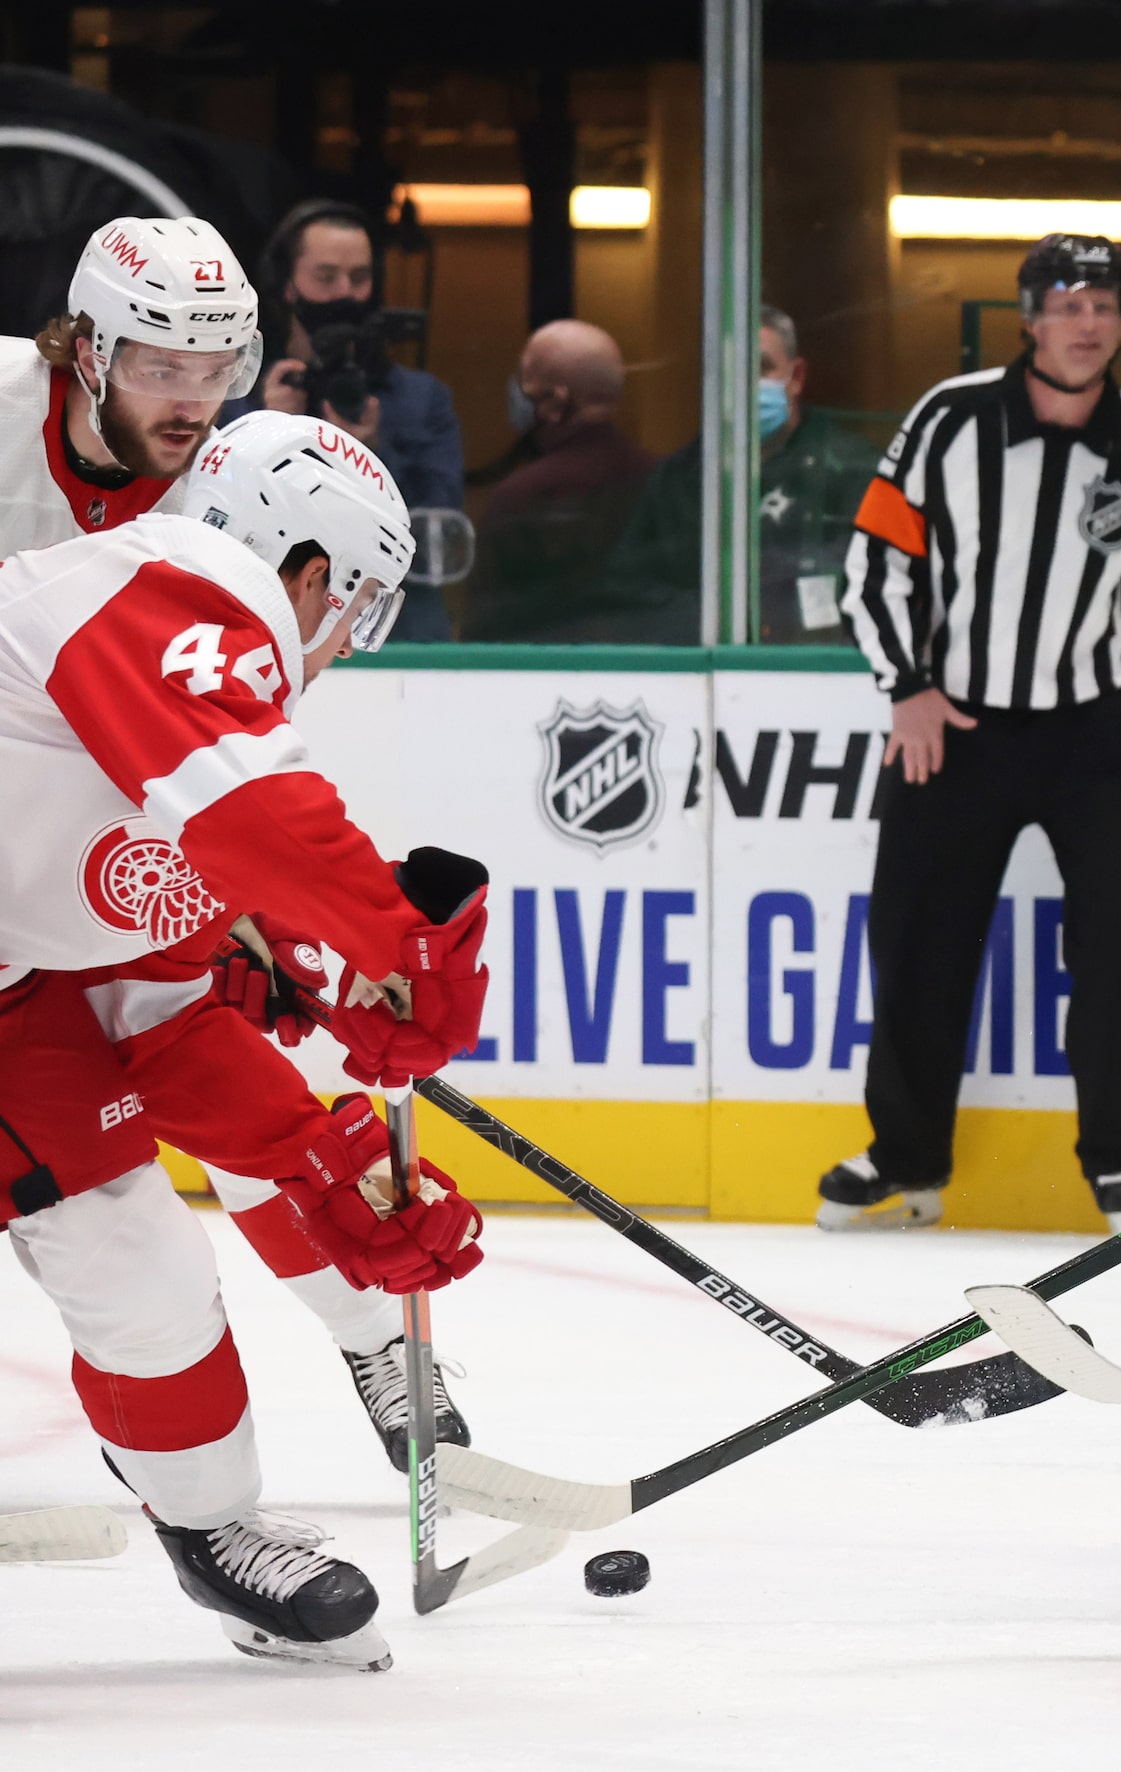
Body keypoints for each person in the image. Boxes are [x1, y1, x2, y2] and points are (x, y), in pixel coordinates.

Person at [0, 410, 494, 1669]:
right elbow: (261, 813)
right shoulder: (160, 589)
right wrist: (382, 935)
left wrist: (317, 1160)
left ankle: (214, 1530)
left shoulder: (162, 706)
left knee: (140, 1270)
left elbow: (155, 1006)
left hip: (19, 997)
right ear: (314, 569)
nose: (341, 647)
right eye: (359, 608)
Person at [819, 233, 1121, 1234]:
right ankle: (906, 1157)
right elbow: (877, 564)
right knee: (918, 943)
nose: (1087, 323)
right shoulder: (948, 421)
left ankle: (1120, 1162)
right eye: (1068, 303)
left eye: (1105, 304)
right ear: (1030, 319)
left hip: (1092, 729)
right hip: (956, 727)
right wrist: (905, 687)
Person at [237, 199, 465, 642]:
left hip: (398, 636)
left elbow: (441, 534)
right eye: (325, 277)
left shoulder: (423, 400)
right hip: (265, 629)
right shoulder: (244, 398)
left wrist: (372, 458)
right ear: (286, 284)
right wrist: (265, 431)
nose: (344, 292)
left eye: (359, 278)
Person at [603, 303, 883, 642]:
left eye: (762, 368)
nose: (745, 385)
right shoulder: (679, 477)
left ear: (796, 378)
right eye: (729, 371)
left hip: (815, 670)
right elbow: (628, 584)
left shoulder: (851, 469)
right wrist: (704, 617)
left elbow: (881, 583)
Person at [0, 216, 259, 550]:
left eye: (216, 374)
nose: (192, 411)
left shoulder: (225, 497)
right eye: (164, 374)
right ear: (93, 362)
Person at [468, 318, 654, 640]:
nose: (517, 392)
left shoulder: (521, 496)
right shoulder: (663, 480)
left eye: (525, 380)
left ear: (556, 402)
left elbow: (484, 629)